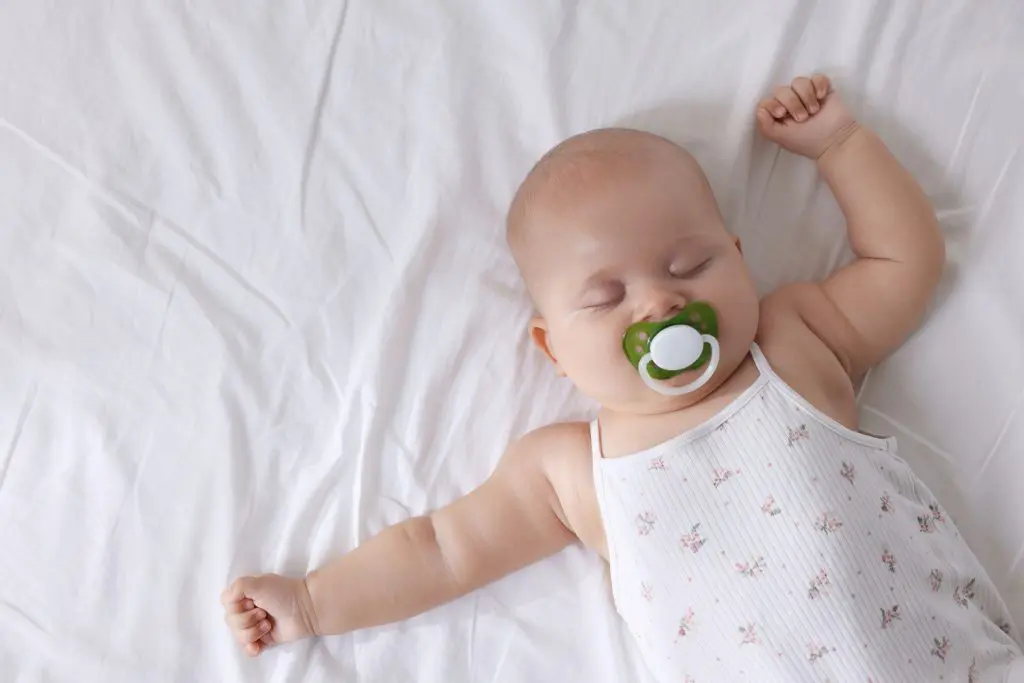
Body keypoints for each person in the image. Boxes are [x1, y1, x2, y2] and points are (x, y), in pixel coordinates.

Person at [222, 74, 1022, 682]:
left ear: (739, 262)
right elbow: (439, 549)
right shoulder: (570, 469)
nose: (660, 301)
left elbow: (904, 260)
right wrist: (315, 601)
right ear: (554, 349)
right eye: (606, 298)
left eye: (690, 264)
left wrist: (841, 146)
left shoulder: (794, 340)